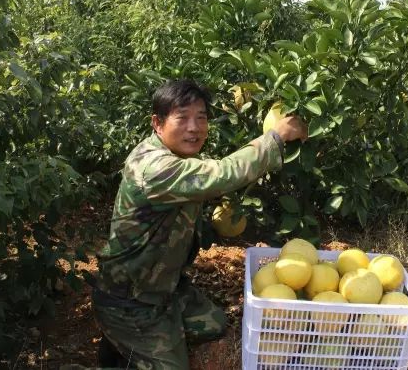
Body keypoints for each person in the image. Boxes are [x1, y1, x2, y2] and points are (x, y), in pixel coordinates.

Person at [91, 78, 308, 369]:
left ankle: (128, 346)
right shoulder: (155, 167)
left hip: (164, 289)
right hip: (130, 301)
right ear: (157, 123)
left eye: (201, 118)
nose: (194, 128)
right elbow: (221, 175)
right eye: (182, 118)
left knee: (214, 325)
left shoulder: (179, 156)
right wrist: (275, 138)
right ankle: (121, 343)